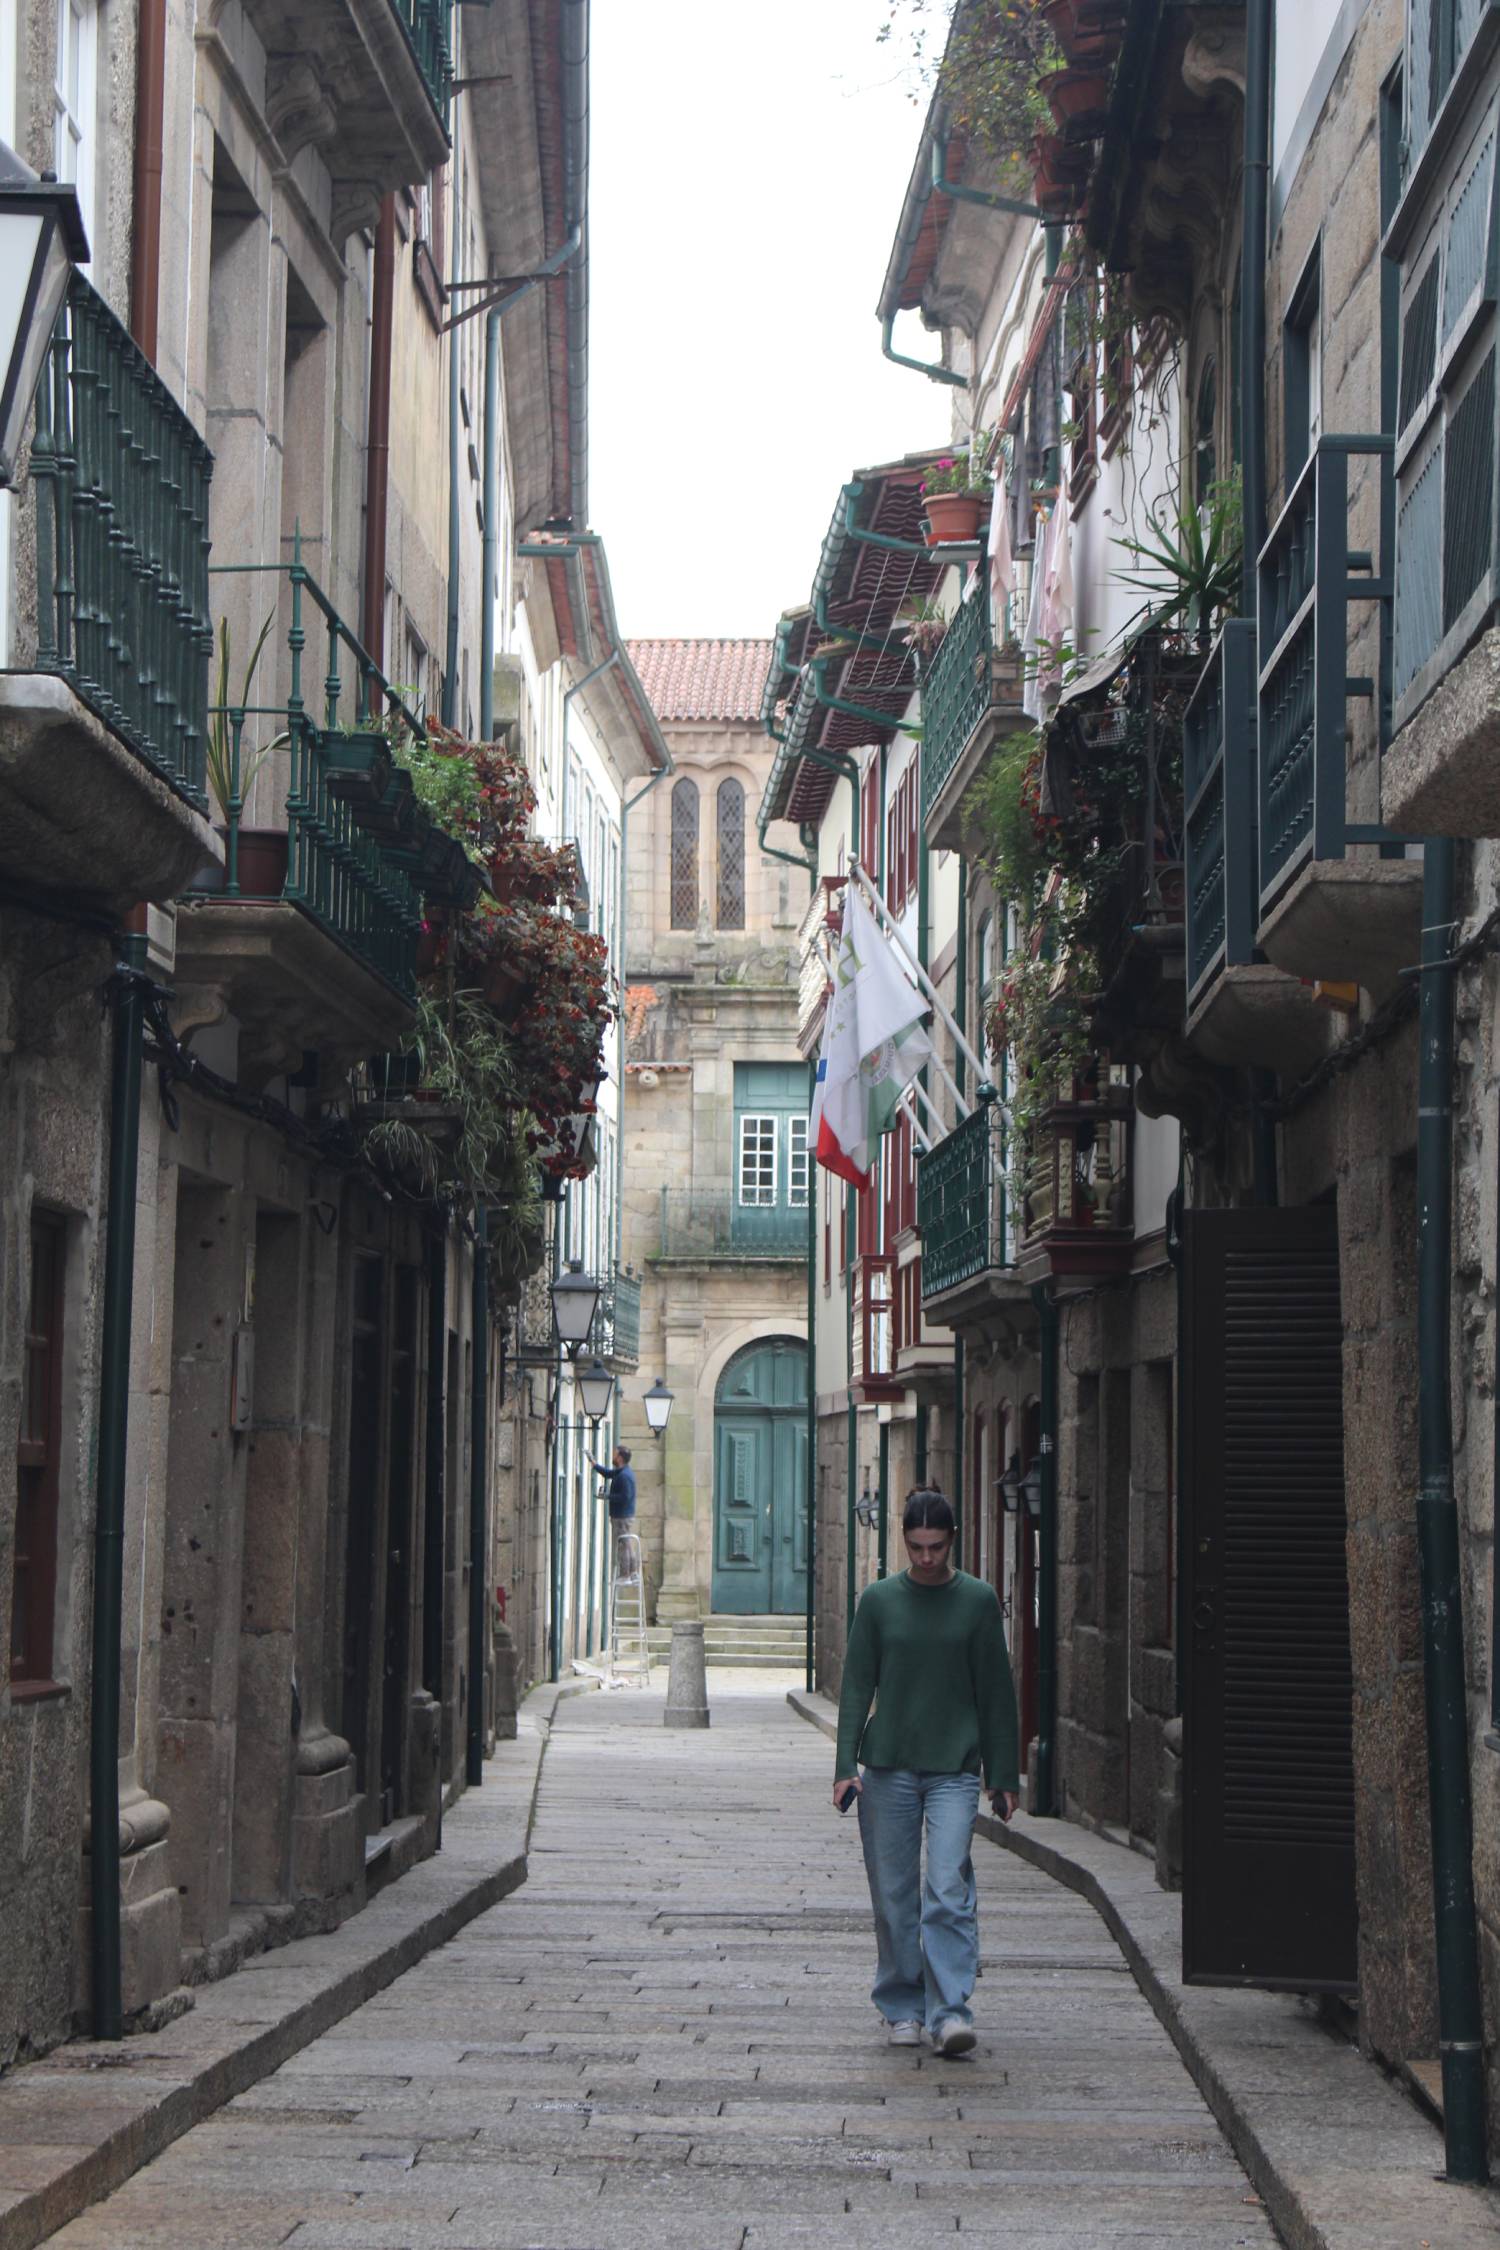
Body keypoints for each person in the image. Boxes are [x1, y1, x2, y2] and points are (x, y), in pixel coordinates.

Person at [833, 1486, 1020, 2056]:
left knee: (946, 1888)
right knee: (893, 1895)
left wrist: (1004, 1775)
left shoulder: (978, 1601)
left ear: (952, 1541)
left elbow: (995, 1692)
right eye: (915, 1547)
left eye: (936, 1547)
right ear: (904, 1542)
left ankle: (950, 2012)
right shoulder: (879, 1602)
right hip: (887, 1767)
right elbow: (857, 1685)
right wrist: (845, 1765)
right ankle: (901, 2007)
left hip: (955, 1771)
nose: (925, 1559)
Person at [592, 1445, 637, 1579]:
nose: (613, 1457)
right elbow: (608, 1473)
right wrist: (594, 1464)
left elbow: (625, 1497)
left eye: (615, 1454)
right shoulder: (621, 1472)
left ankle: (625, 1574)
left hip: (622, 1516)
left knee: (623, 1545)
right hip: (622, 1515)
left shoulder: (624, 1476)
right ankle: (632, 1572)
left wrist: (607, 1496)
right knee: (627, 1543)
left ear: (620, 1458)